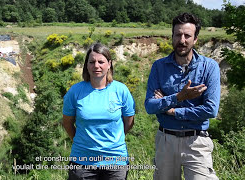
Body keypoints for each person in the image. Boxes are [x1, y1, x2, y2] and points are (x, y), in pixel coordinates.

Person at [144, 12, 220, 180]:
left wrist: (172, 111)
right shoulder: (159, 67)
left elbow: (211, 110)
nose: (182, 40)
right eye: (178, 35)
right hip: (166, 141)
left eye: (187, 35)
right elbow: (149, 106)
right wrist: (178, 97)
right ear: (172, 36)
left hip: (197, 142)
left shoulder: (209, 67)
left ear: (196, 39)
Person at [63, 43, 135, 180]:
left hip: (115, 161)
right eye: (92, 62)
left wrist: (114, 140)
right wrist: (81, 142)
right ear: (86, 65)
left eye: (101, 62)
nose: (96, 66)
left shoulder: (121, 90)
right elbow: (67, 123)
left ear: (109, 64)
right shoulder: (75, 91)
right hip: (82, 161)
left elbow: (129, 122)